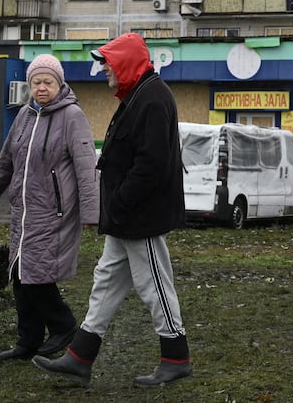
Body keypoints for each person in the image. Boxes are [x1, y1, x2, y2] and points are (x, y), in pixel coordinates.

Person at [33, 33, 191, 388]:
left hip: (140, 216)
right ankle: (79, 358)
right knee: (105, 281)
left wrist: (119, 202)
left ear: (126, 64)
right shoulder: (140, 95)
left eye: (109, 63)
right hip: (127, 216)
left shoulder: (152, 98)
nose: (104, 69)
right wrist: (116, 206)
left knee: (155, 285)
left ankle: (176, 358)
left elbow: (150, 164)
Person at [0, 54, 100, 362]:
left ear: (59, 84)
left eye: (47, 82)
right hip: (23, 211)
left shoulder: (72, 116)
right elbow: (5, 162)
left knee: (37, 274)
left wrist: (91, 213)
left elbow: (87, 167)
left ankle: (64, 325)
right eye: (36, 82)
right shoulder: (24, 115)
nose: (41, 88)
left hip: (54, 211)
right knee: (20, 274)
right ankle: (28, 341)